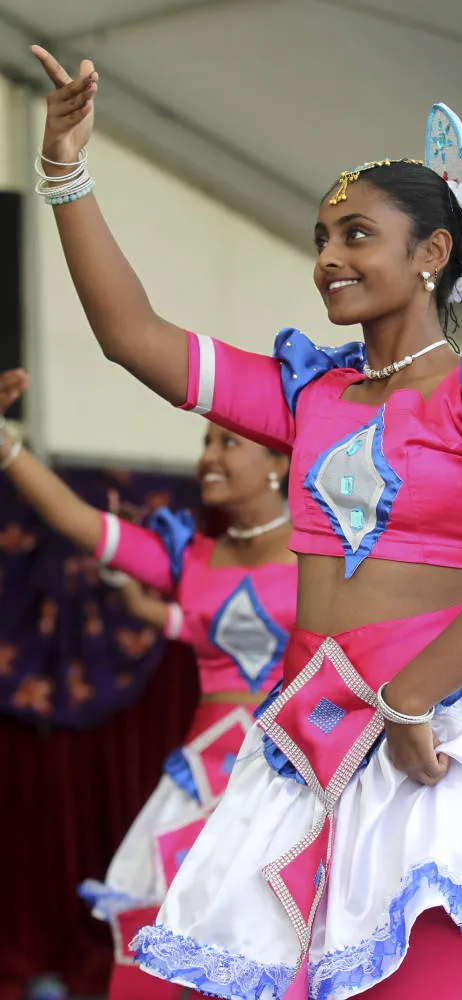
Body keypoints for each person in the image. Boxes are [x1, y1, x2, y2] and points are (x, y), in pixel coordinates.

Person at [27, 45, 462, 1000]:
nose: (327, 257)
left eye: (356, 234)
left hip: (447, 736)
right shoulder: (309, 390)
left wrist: (411, 699)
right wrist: (65, 171)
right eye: (321, 236)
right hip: (308, 734)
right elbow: (136, 341)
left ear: (432, 253)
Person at [0, 369, 298, 1000]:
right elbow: (73, 518)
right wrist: (6, 445)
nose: (208, 458)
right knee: (154, 925)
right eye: (206, 443)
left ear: (277, 461)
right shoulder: (186, 558)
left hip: (286, 773)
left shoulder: (321, 558)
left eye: (227, 444)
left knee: (269, 936)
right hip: (200, 775)